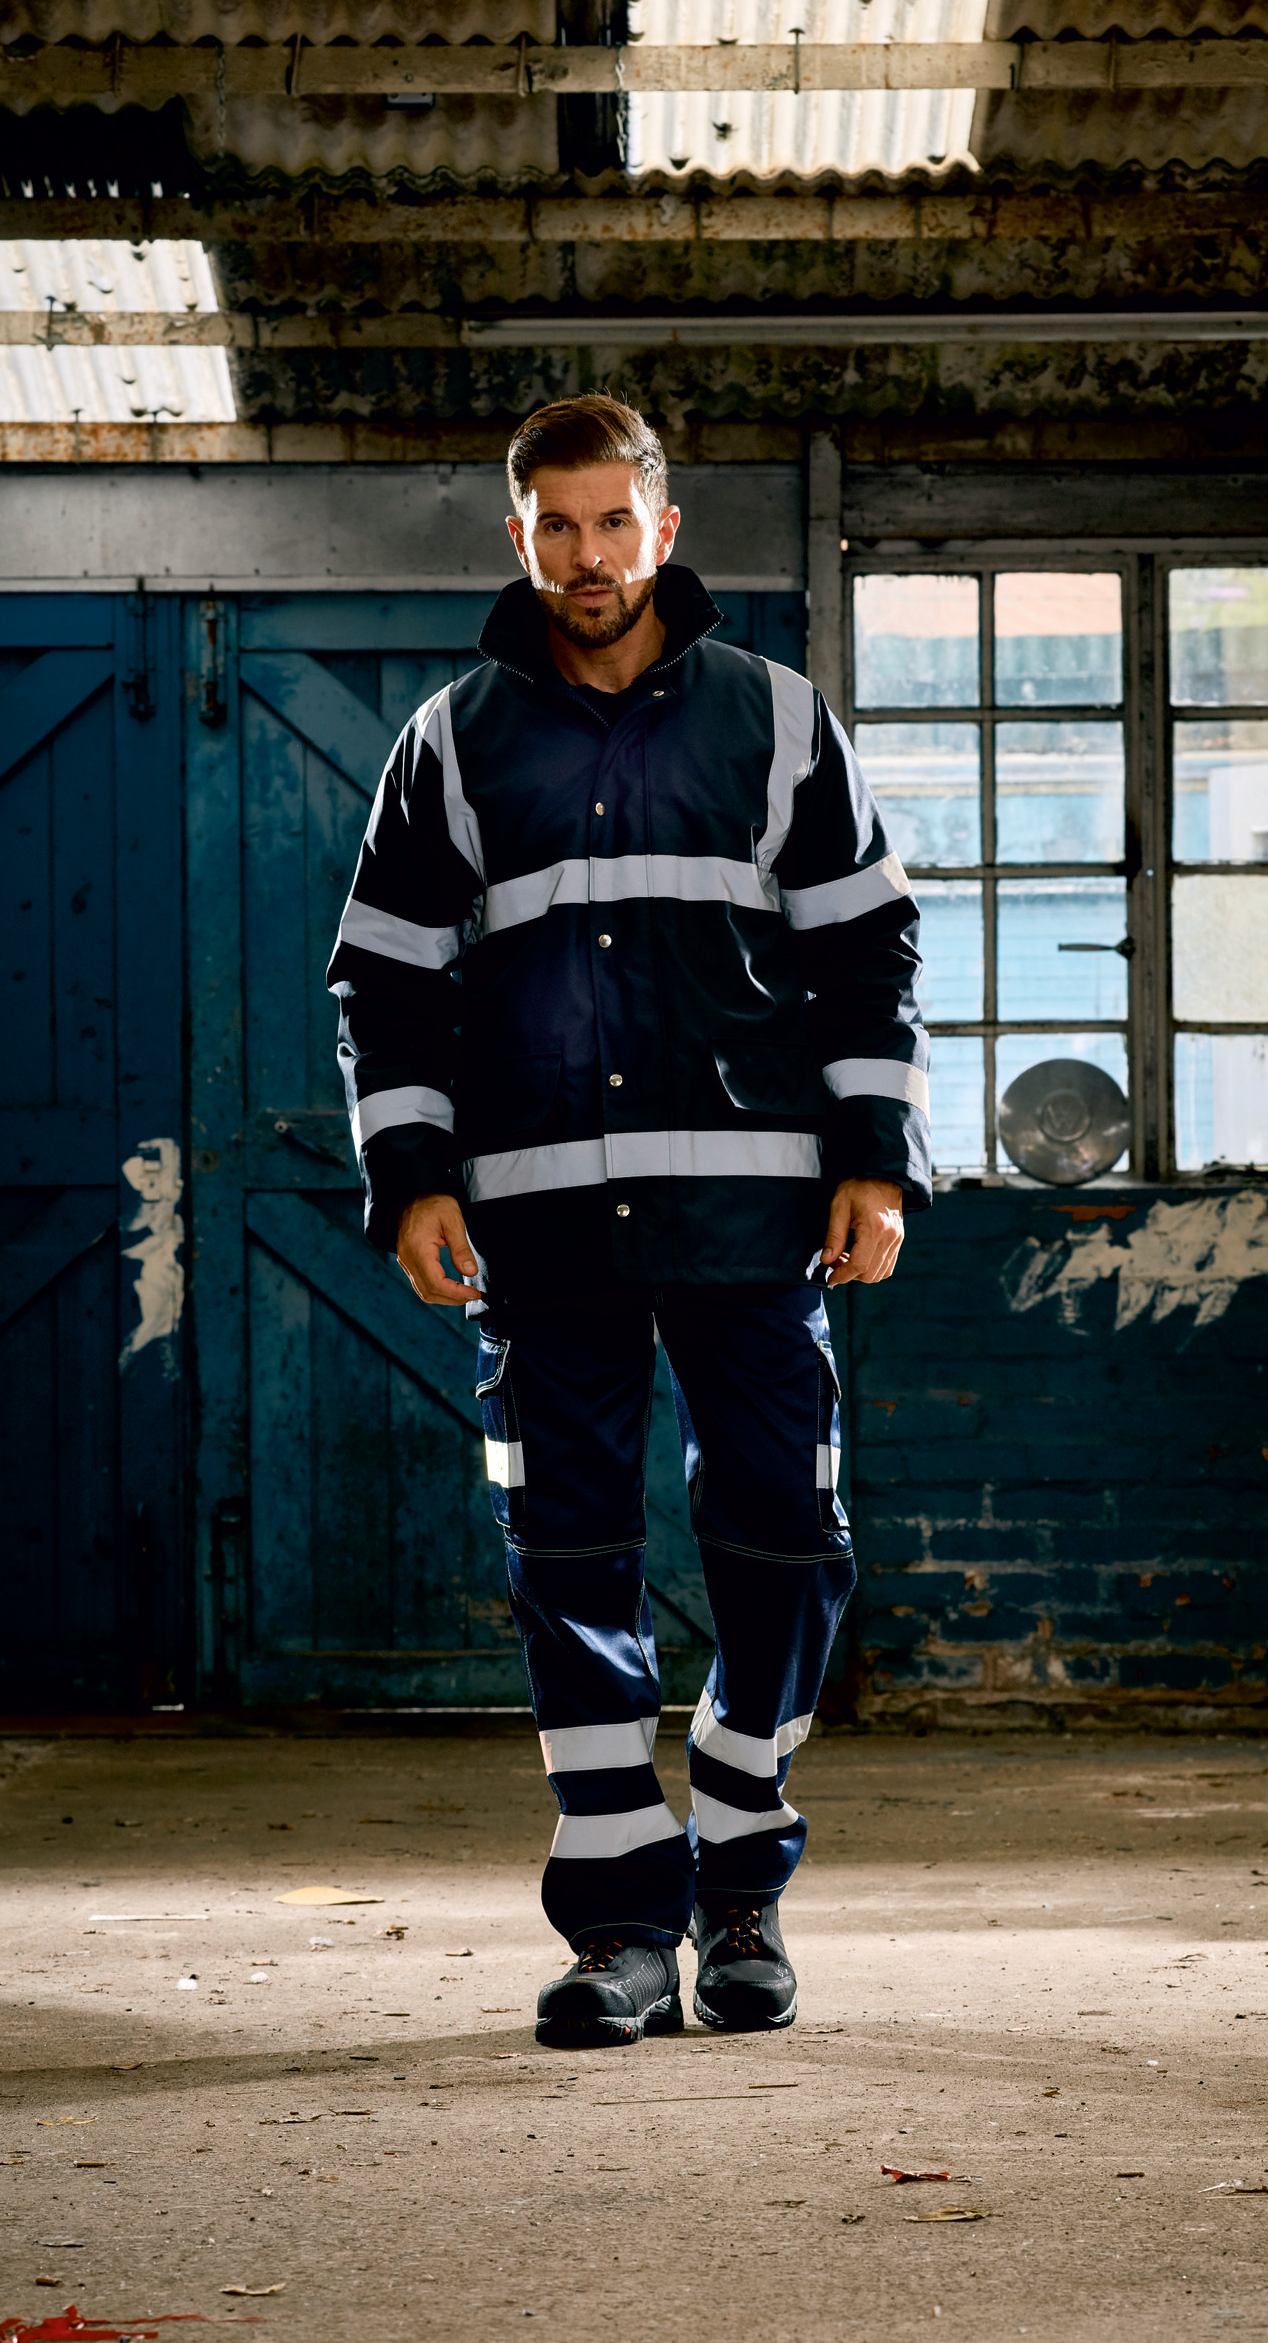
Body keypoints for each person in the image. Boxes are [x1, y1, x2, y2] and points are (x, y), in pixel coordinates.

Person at [328, 394, 929, 2046]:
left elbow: (865, 949)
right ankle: (618, 1929)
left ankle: (739, 1881)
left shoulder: (777, 721)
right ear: (517, 536)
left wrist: (874, 1158)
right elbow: (386, 979)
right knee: (568, 1557)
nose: (587, 557)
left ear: (663, 530)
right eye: (557, 526)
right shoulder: (452, 740)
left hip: (756, 1217)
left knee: (787, 1544)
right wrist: (415, 1177)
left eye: (613, 523)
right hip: (540, 1230)